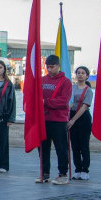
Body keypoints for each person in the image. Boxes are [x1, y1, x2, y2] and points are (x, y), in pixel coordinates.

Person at [37, 55, 72, 185]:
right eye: (48, 67)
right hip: (44, 119)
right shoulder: (42, 80)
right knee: (43, 148)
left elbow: (64, 101)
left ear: (58, 66)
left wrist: (46, 102)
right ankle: (44, 173)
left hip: (59, 120)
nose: (50, 69)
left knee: (61, 148)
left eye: (52, 67)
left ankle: (63, 174)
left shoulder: (66, 82)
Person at [68, 66, 93, 180]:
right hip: (71, 114)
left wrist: (73, 120)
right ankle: (77, 169)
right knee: (75, 145)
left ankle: (85, 170)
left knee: (84, 145)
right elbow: (68, 102)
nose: (80, 75)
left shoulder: (88, 90)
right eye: (78, 73)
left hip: (83, 118)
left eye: (83, 73)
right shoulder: (71, 87)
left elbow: (84, 107)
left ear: (87, 76)